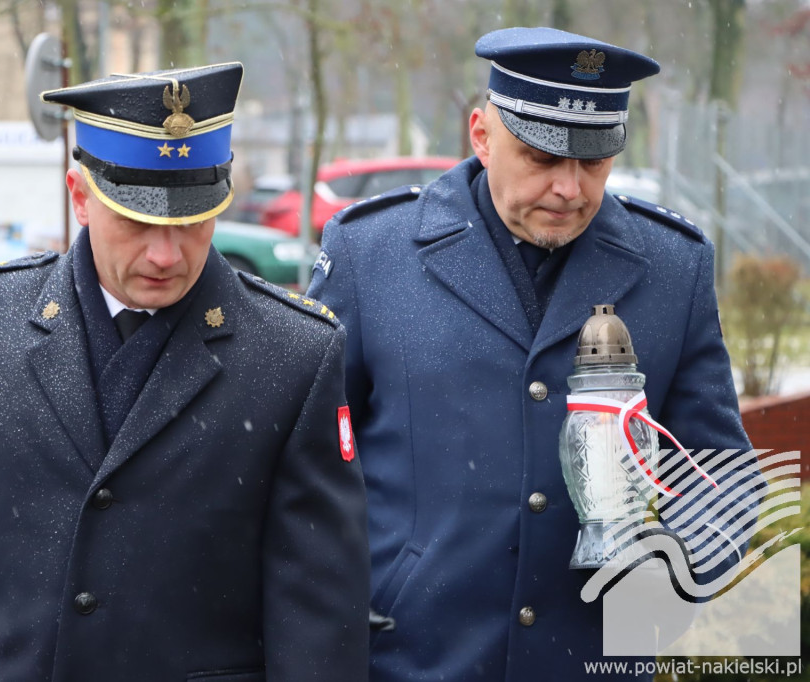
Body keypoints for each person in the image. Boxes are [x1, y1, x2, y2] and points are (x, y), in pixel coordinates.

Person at [0, 62, 370, 682]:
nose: (166, 254)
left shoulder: (293, 353)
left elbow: (317, 611)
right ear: (80, 196)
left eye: (190, 221)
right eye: (136, 221)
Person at [308, 28, 760, 681]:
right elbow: (306, 468)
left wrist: (665, 588)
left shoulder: (673, 269)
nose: (570, 189)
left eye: (595, 163)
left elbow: (719, 479)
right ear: (481, 135)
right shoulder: (370, 255)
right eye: (542, 158)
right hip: (414, 657)